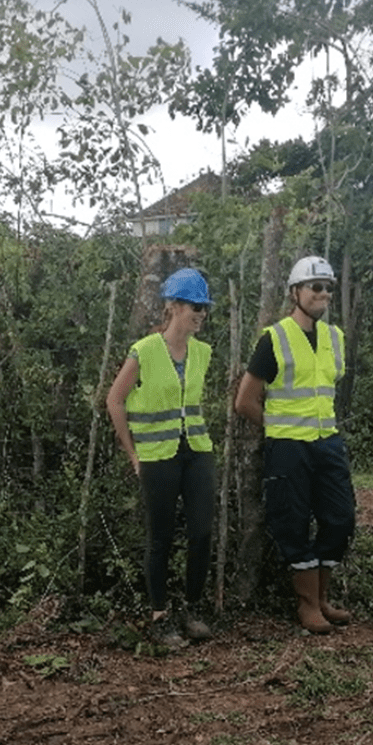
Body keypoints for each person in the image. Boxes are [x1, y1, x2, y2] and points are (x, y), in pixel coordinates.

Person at [233, 256, 356, 635]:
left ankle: (322, 598)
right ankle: (307, 605)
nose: (323, 294)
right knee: (293, 523)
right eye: (314, 287)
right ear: (295, 292)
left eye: (328, 287)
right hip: (289, 447)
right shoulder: (275, 338)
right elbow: (245, 401)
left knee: (341, 518)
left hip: (327, 443)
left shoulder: (335, 338)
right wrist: (279, 429)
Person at [106, 268, 217, 648]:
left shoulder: (203, 353)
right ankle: (159, 615)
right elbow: (114, 400)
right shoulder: (145, 350)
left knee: (202, 531)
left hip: (196, 450)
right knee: (162, 538)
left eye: (204, 307)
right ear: (173, 306)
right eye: (195, 306)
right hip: (157, 455)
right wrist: (132, 453)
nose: (200, 314)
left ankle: (192, 607)